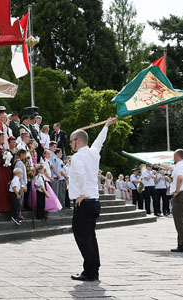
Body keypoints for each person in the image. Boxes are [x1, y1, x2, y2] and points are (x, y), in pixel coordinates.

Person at [69, 117, 117, 282]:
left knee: (82, 235)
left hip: (84, 201)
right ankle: (93, 269)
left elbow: (81, 175)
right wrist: (105, 126)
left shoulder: (78, 157)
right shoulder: (93, 152)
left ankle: (89, 271)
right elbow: (99, 142)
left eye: (71, 141)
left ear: (79, 141)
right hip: (94, 201)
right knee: (90, 236)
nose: (70, 144)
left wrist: (82, 193)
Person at [160, 149, 183, 253]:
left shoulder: (179, 166)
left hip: (180, 195)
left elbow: (180, 178)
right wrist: (159, 164)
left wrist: (176, 191)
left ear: (177, 156)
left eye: (174, 156)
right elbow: (170, 167)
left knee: (179, 222)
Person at [0, 131, 13, 212]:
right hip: (0, 169)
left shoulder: (2, 146)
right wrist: (4, 159)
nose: (3, 139)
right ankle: (1, 205)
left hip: (6, 168)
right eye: (2, 137)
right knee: (1, 186)